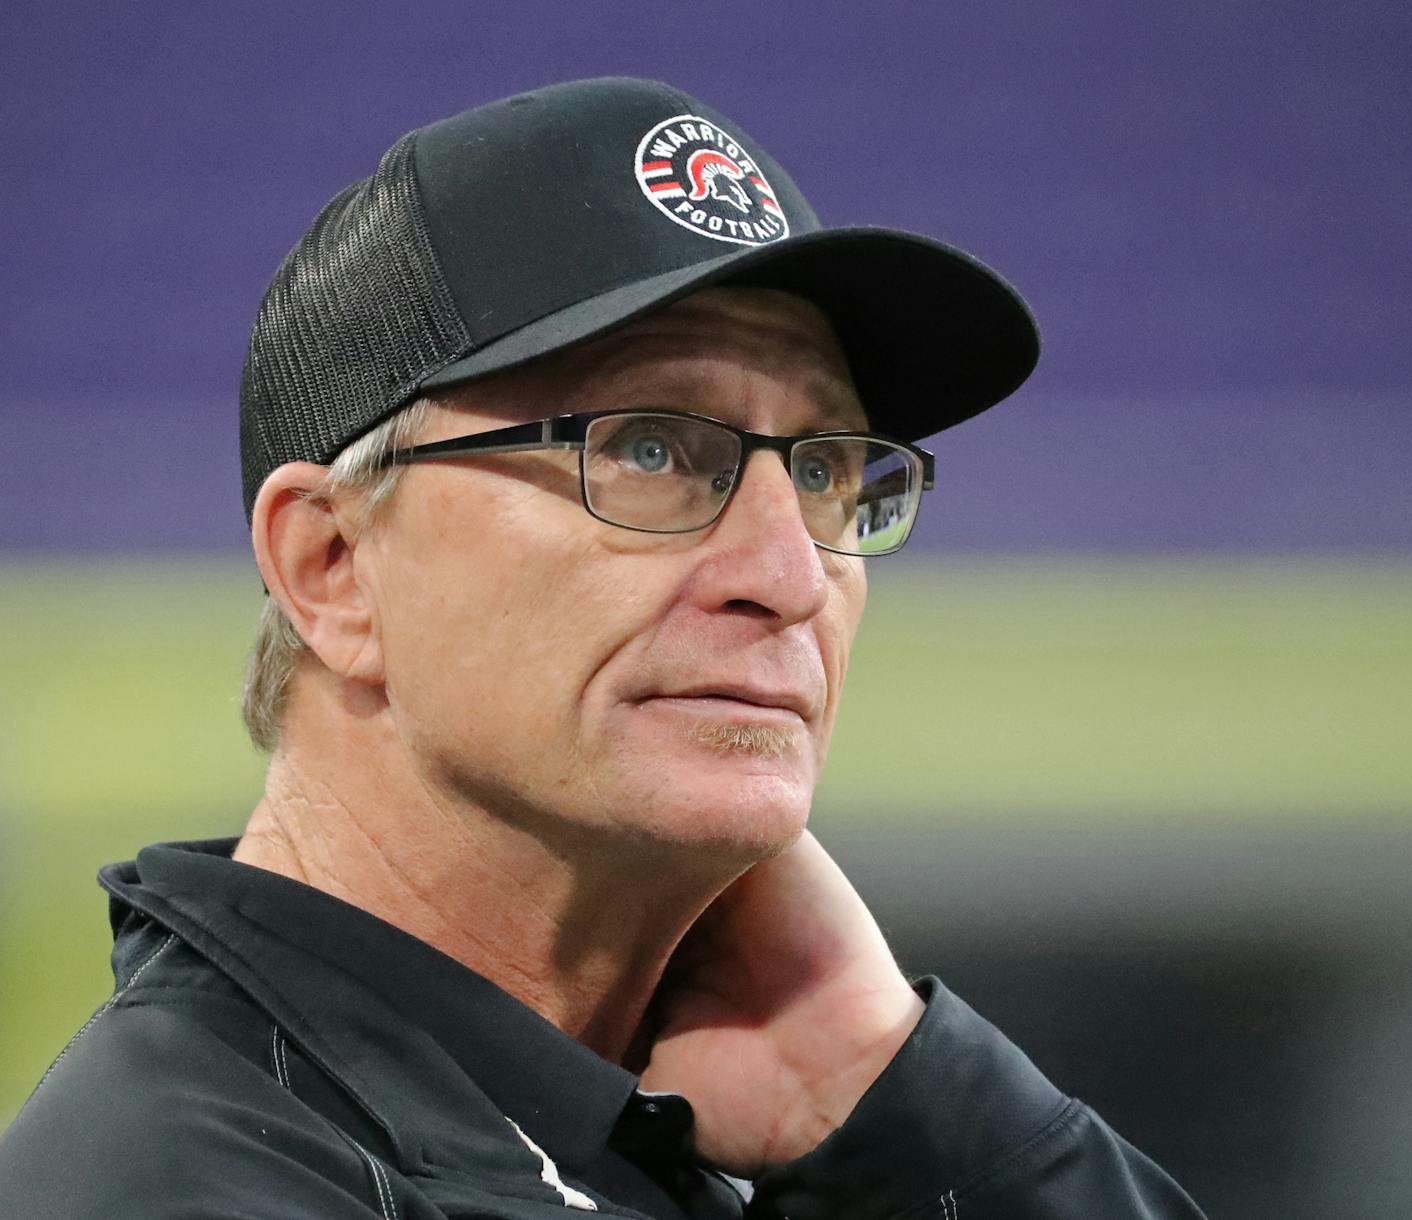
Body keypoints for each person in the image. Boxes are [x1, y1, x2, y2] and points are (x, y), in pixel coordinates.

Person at [0, 77, 1206, 1218]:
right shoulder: (181, 1184)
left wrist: (895, 1106)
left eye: (830, 470)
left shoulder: (723, 1126)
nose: (789, 578)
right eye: (646, 450)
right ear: (333, 566)